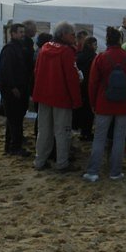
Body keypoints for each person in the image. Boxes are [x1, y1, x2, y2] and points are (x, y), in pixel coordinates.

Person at [83, 27, 126, 182]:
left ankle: (93, 171)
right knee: (119, 139)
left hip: (104, 103)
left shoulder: (101, 57)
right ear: (120, 40)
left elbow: (92, 83)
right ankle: (115, 172)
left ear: (107, 40)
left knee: (99, 138)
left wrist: (93, 103)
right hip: (124, 104)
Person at [32, 21, 82, 172]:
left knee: (44, 130)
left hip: (43, 95)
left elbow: (36, 71)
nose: (74, 37)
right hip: (61, 97)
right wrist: (76, 100)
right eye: (72, 34)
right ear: (64, 35)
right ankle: (62, 163)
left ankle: (39, 161)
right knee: (62, 131)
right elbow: (71, 78)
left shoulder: (45, 48)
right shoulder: (67, 52)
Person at [0, 23, 31, 157]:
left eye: (23, 32)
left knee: (14, 119)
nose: (22, 34)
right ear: (13, 33)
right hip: (11, 90)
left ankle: (11, 146)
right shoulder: (9, 49)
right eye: (20, 32)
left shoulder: (19, 48)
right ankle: (14, 147)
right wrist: (13, 87)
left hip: (19, 88)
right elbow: (6, 70)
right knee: (14, 119)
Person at [75, 35, 98, 140]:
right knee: (89, 111)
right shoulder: (94, 57)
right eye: (95, 44)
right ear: (90, 45)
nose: (96, 46)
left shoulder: (78, 55)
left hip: (80, 86)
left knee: (80, 109)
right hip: (89, 86)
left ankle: (79, 130)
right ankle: (86, 132)